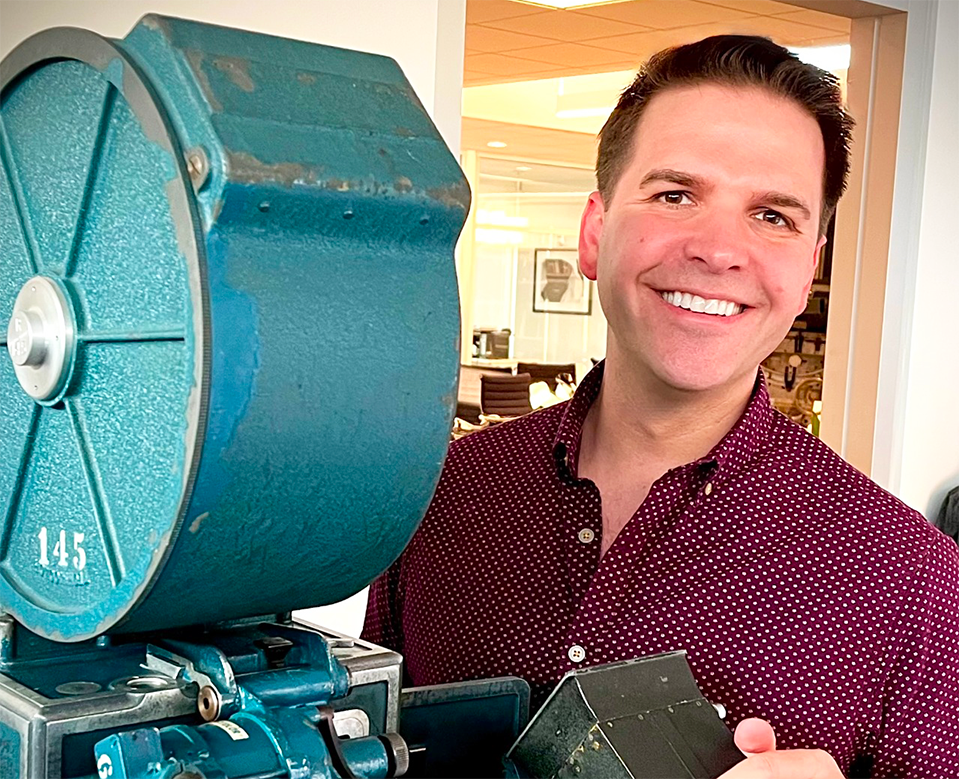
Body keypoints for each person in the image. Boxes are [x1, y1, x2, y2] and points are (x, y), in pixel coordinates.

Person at [363, 35, 959, 778]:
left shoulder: (908, 577)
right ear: (594, 231)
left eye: (772, 215)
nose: (718, 250)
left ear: (808, 268)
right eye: (675, 194)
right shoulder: (439, 492)